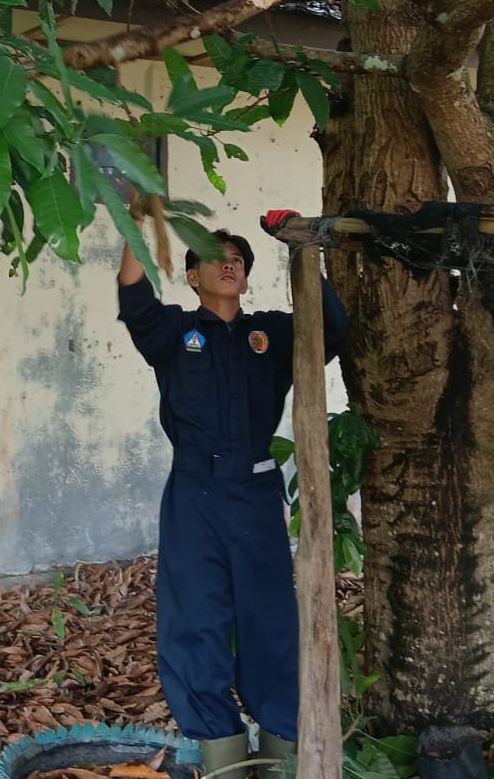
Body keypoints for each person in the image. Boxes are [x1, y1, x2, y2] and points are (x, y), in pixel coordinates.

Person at [117, 215, 348, 775]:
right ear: (192, 277)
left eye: (238, 260)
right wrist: (135, 222)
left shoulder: (271, 334)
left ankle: (280, 753)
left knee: (270, 620)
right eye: (215, 257)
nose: (229, 264)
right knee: (195, 618)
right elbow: (134, 299)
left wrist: (303, 250)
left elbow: (332, 330)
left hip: (255, 491)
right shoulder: (174, 332)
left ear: (245, 278)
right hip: (193, 494)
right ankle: (221, 754)